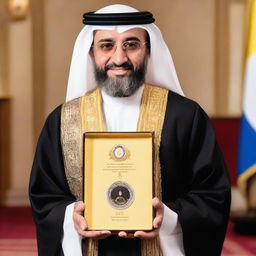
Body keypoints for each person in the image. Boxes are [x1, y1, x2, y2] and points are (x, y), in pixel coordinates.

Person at [29, 4, 231, 256]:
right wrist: (72, 217)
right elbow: (45, 196)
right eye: (106, 45)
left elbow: (212, 195)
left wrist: (166, 218)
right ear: (90, 53)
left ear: (148, 51)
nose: (119, 59)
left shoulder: (185, 116)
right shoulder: (63, 119)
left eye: (131, 44)